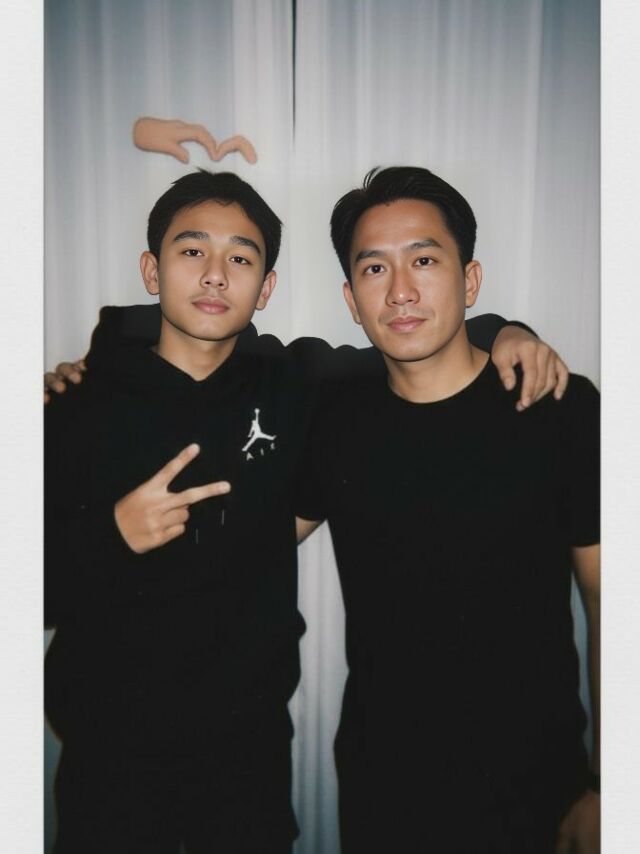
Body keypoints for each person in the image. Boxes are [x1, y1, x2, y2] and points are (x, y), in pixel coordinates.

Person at [45, 168, 567, 854]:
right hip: (107, 763)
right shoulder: (73, 409)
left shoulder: (293, 383)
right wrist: (113, 534)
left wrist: (507, 331)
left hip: (245, 764)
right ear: (152, 269)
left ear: (265, 288)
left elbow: (412, 338)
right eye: (191, 250)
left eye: (240, 258)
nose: (214, 274)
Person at [295, 166, 600, 852]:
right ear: (351, 298)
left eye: (425, 260)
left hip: (542, 792)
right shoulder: (335, 425)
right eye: (375, 269)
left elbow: (609, 595)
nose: (400, 291)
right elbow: (250, 540)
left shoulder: (557, 407)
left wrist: (608, 783)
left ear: (471, 280)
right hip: (385, 792)